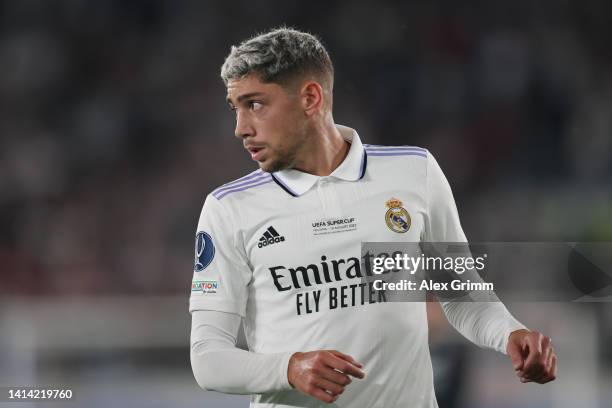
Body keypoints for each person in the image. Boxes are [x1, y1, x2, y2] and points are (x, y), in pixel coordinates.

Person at [189, 27, 556, 407]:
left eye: (255, 104)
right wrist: (288, 369)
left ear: (311, 98)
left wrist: (511, 333)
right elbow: (207, 358)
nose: (240, 128)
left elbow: (461, 293)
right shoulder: (230, 208)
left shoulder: (413, 171)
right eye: (236, 108)